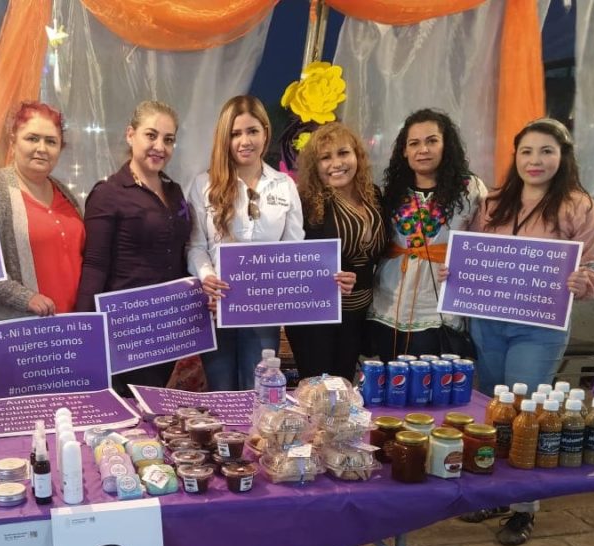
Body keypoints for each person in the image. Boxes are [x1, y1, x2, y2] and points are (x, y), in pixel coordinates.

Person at [459, 117, 594, 545]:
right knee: (493, 411)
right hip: (488, 322)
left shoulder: (579, 205)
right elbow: (472, 252)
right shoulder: (494, 201)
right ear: (516, 157)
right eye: (526, 151)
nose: (535, 160)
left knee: (526, 412)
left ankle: (524, 507)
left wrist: (584, 280)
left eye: (546, 151)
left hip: (539, 328)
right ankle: (494, 494)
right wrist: (457, 270)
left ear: (563, 157)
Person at [0, 101, 85, 398]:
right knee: (23, 421)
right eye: (32, 138)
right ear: (13, 140)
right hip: (20, 340)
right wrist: (25, 297)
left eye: (51, 141)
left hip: (69, 334)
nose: (41, 148)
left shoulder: (65, 192)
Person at [187, 95, 305, 391]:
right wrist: (207, 276)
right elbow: (195, 246)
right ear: (224, 139)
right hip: (217, 307)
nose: (244, 141)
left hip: (264, 310)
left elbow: (295, 252)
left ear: (265, 132)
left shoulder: (284, 185)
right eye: (235, 134)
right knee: (221, 392)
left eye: (252, 131)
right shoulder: (204, 184)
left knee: (259, 393)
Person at [76, 100, 191, 394]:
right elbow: (95, 265)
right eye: (151, 135)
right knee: (132, 406)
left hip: (168, 326)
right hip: (127, 328)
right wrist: (84, 331)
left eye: (168, 139)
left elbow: (181, 253)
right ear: (130, 135)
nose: (160, 147)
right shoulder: (108, 193)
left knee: (159, 405)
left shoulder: (174, 190)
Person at [368, 108, 487, 360]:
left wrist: (465, 269)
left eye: (432, 141)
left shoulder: (470, 189)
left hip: (439, 304)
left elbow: (483, 245)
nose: (423, 149)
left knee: (432, 378)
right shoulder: (392, 190)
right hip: (389, 300)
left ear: (446, 145)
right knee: (391, 376)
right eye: (414, 143)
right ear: (404, 150)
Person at [285, 122, 388, 381]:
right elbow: (293, 261)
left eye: (343, 153)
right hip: (316, 316)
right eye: (325, 157)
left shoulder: (373, 195)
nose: (336, 163)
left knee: (344, 389)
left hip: (360, 313)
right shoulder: (306, 203)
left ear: (357, 156)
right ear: (314, 165)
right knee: (317, 391)